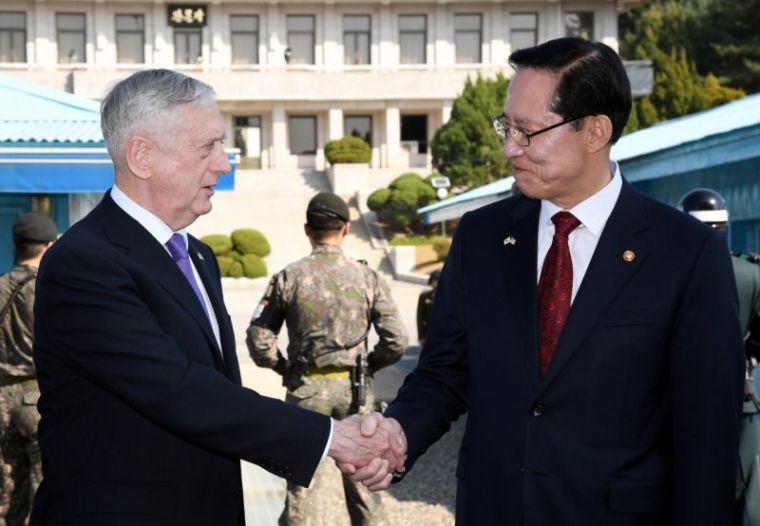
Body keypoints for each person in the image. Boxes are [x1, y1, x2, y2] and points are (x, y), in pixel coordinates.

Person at [352, 37, 745, 525]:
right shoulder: (482, 236)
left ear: (595, 131)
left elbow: (708, 437)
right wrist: (399, 432)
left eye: (527, 131)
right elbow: (445, 371)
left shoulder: (685, 253)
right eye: (506, 126)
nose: (508, 147)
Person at [29, 69, 402, 526]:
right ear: (142, 156)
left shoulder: (198, 256)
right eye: (207, 147)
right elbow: (177, 389)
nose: (224, 164)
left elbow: (220, 392)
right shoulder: (83, 263)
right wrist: (332, 437)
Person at [246, 191, 408, 525]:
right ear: (346, 229)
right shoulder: (368, 277)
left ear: (308, 229)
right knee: (366, 484)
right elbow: (397, 339)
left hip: (306, 391)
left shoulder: (289, 276)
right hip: (356, 392)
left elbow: (260, 339)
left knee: (299, 491)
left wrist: (284, 368)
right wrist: (368, 366)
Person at [679, 187, 760, 526]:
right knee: (744, 494)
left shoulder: (663, 273)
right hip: (738, 402)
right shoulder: (750, 274)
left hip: (676, 402)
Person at [0, 213, 57, 526]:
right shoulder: (51, 291)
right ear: (48, 246)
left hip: (1, 398)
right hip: (37, 400)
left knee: (7, 491)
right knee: (45, 489)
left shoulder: (1, 286)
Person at [416, 270, 440, 346]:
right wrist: (421, 336)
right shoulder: (424, 296)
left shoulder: (449, 295)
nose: (436, 283)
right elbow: (420, 317)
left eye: (438, 280)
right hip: (428, 333)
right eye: (434, 280)